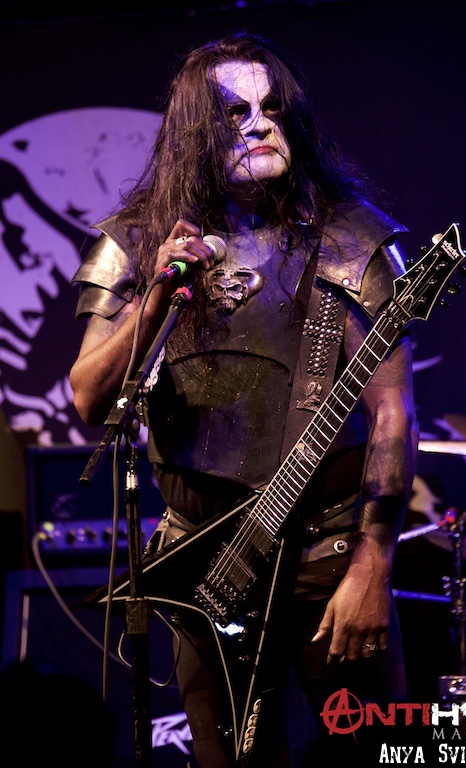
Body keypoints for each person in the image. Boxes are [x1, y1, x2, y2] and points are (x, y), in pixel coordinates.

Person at [69, 32, 418, 768]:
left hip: (327, 557)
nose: (260, 126)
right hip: (203, 566)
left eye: (272, 109)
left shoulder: (351, 239)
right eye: (235, 113)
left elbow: (392, 411)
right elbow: (89, 399)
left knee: (372, 753)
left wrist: (373, 564)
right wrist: (158, 294)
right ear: (195, 132)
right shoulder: (136, 242)